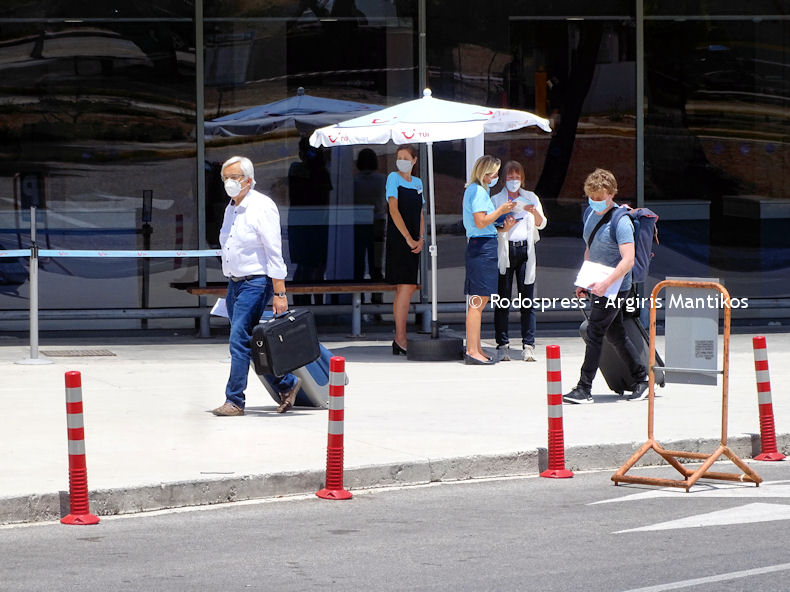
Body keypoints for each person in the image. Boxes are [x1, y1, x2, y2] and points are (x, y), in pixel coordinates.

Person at [212, 156, 302, 417]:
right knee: (248, 342)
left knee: (237, 340)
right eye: (225, 178)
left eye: (234, 177)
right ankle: (287, 384)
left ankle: (235, 400)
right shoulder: (231, 207)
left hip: (255, 282)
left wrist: (280, 292)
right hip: (235, 284)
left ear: (249, 179)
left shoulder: (262, 206)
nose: (229, 182)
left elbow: (274, 251)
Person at [563, 168, 648, 404]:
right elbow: (591, 248)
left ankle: (584, 388)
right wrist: (584, 281)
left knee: (595, 332)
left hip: (615, 288)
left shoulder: (621, 222)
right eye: (592, 197)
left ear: (611, 194)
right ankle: (642, 379)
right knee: (616, 334)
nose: (596, 202)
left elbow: (628, 259)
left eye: (600, 198)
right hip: (598, 283)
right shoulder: (591, 214)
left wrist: (605, 283)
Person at [462, 155, 517, 365]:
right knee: (477, 301)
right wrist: (500, 211)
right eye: (494, 173)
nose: (496, 177)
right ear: (484, 173)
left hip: (485, 243)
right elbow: (480, 220)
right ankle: (472, 350)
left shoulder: (481, 190)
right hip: (481, 248)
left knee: (481, 299)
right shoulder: (476, 190)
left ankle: (476, 348)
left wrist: (504, 226)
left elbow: (485, 224)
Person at [491, 161, 547, 362]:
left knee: (527, 301)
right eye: (509, 177)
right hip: (506, 251)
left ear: (522, 178)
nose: (513, 180)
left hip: (525, 250)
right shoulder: (497, 199)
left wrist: (532, 212)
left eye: (517, 177)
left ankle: (528, 344)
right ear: (503, 179)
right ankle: (503, 344)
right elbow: (491, 225)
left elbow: (542, 224)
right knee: (503, 300)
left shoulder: (530, 197)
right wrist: (503, 223)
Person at [385, 145, 425, 355]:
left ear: (414, 161)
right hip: (399, 239)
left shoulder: (418, 182)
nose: (401, 160)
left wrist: (420, 237)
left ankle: (400, 338)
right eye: (399, 157)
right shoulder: (393, 178)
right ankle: (400, 337)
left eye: (406, 158)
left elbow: (419, 213)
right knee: (405, 287)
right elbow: (393, 209)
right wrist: (408, 238)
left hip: (414, 240)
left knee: (407, 288)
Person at [288, 137, 332, 305]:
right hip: (312, 222)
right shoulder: (312, 171)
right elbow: (326, 199)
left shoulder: (300, 169)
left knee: (308, 264)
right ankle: (309, 302)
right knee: (312, 264)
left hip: (303, 221)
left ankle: (305, 302)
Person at [353, 148, 387, 306]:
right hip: (378, 222)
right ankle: (377, 299)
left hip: (359, 223)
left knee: (358, 263)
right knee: (376, 264)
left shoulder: (355, 181)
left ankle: (358, 299)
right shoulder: (382, 180)